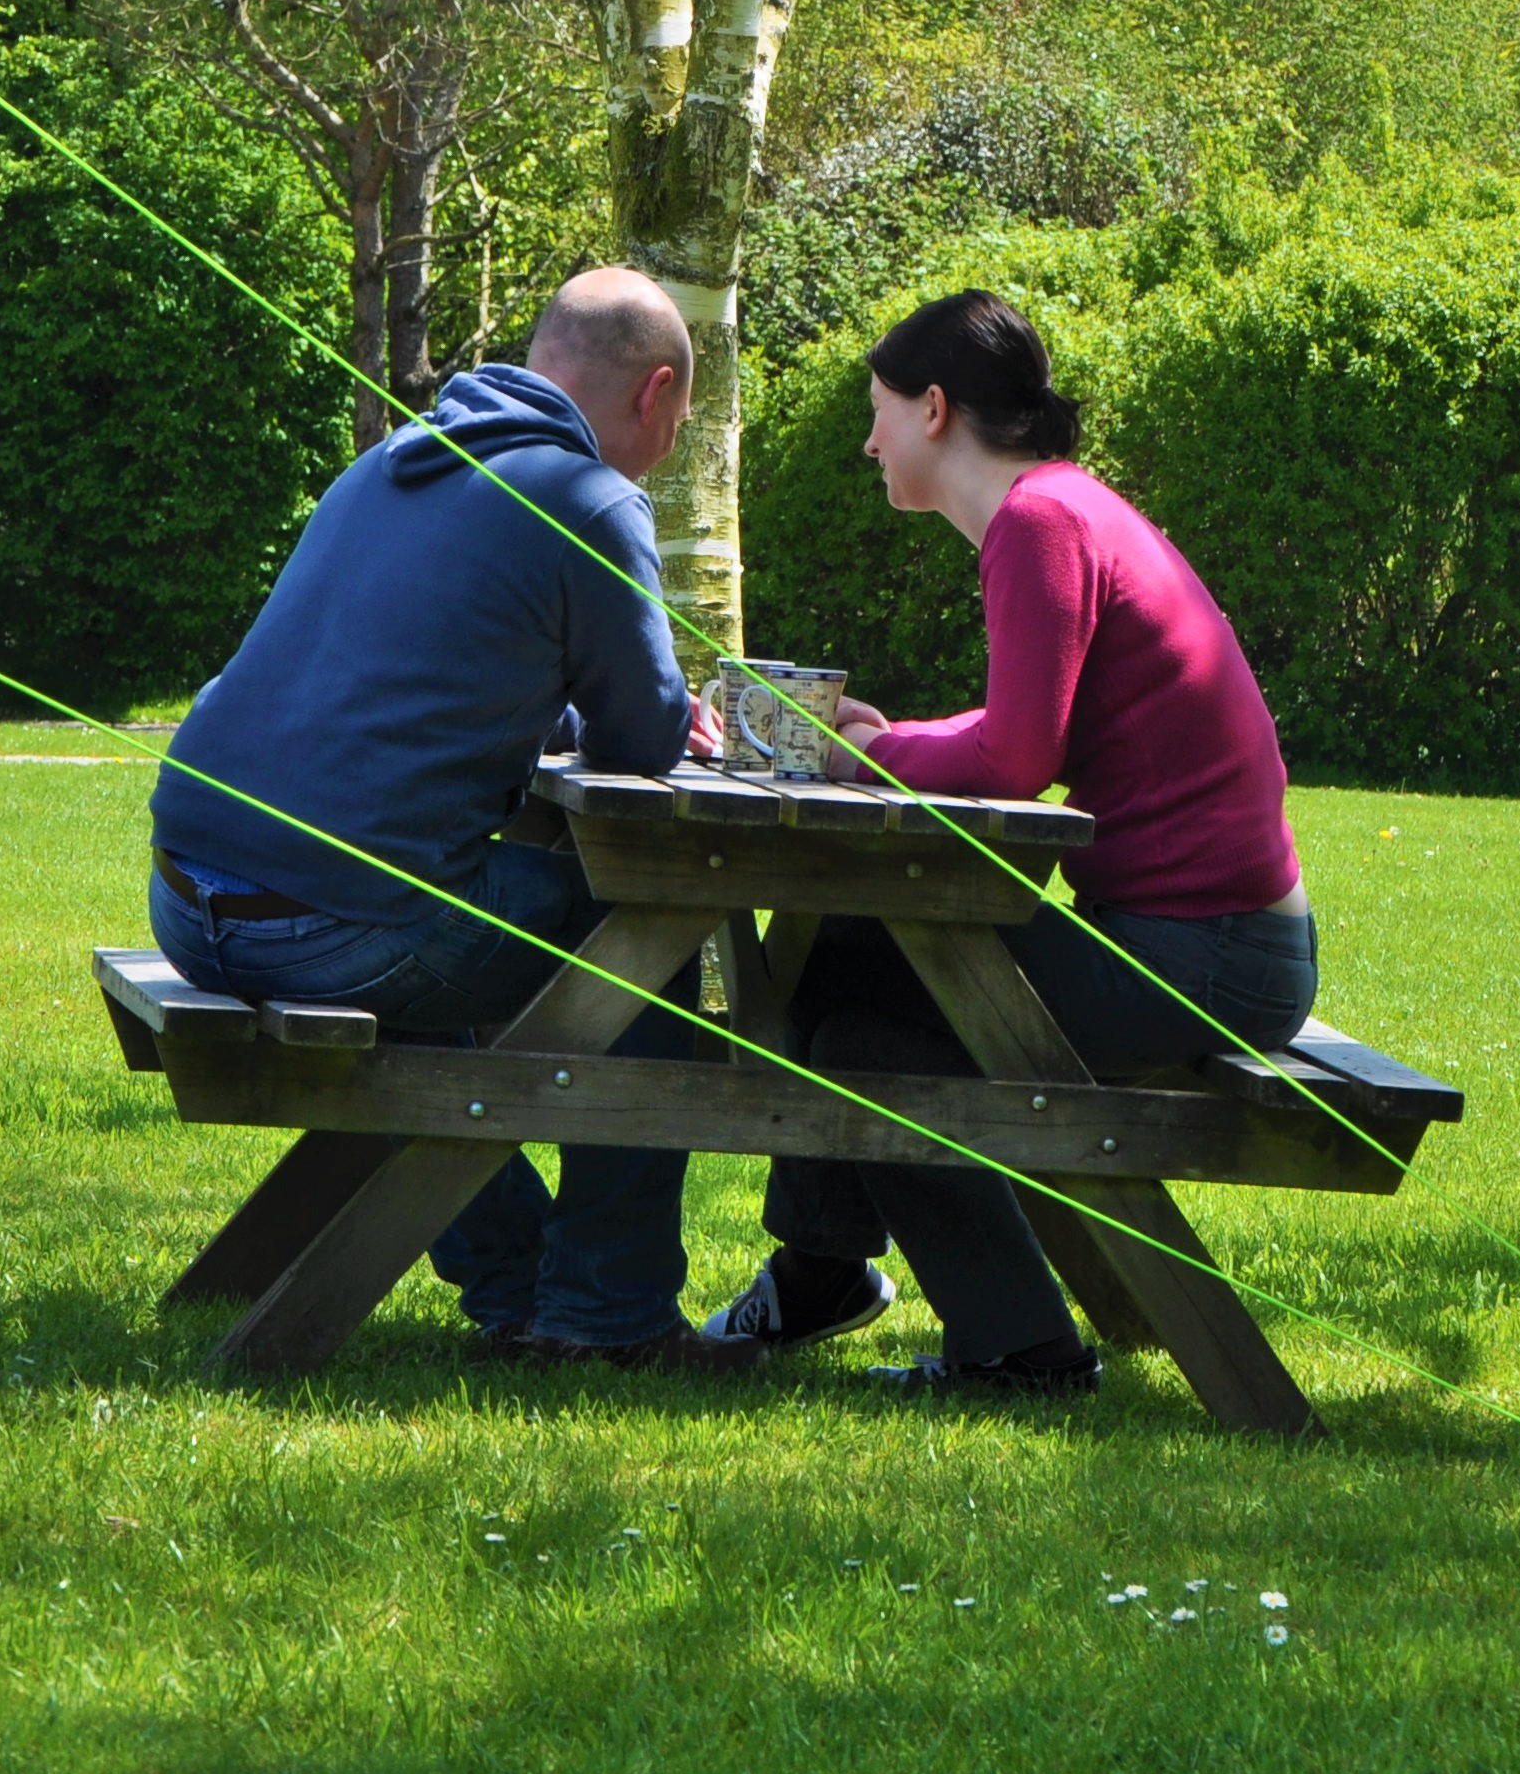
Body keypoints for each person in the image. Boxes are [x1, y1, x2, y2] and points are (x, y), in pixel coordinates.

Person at [694, 289, 1317, 1392]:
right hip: (1216, 943)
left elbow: (1012, 762)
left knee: (867, 1027)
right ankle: (829, 1271)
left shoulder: (1038, 523)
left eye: (877, 410)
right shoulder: (1061, 508)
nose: (867, 438)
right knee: (853, 950)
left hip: (1212, 964)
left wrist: (858, 757)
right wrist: (891, 736)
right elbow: (1019, 729)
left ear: (934, 408)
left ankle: (1006, 1346)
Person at [148, 268, 748, 1370]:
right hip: (330, 929)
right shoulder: (588, 495)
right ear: (658, 392)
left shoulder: (391, 462)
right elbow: (641, 736)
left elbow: (436, 674)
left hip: (190, 901)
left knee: (428, 972)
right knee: (653, 940)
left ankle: (519, 1285)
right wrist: (663, 720)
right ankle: (607, 1313)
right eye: (678, 422)